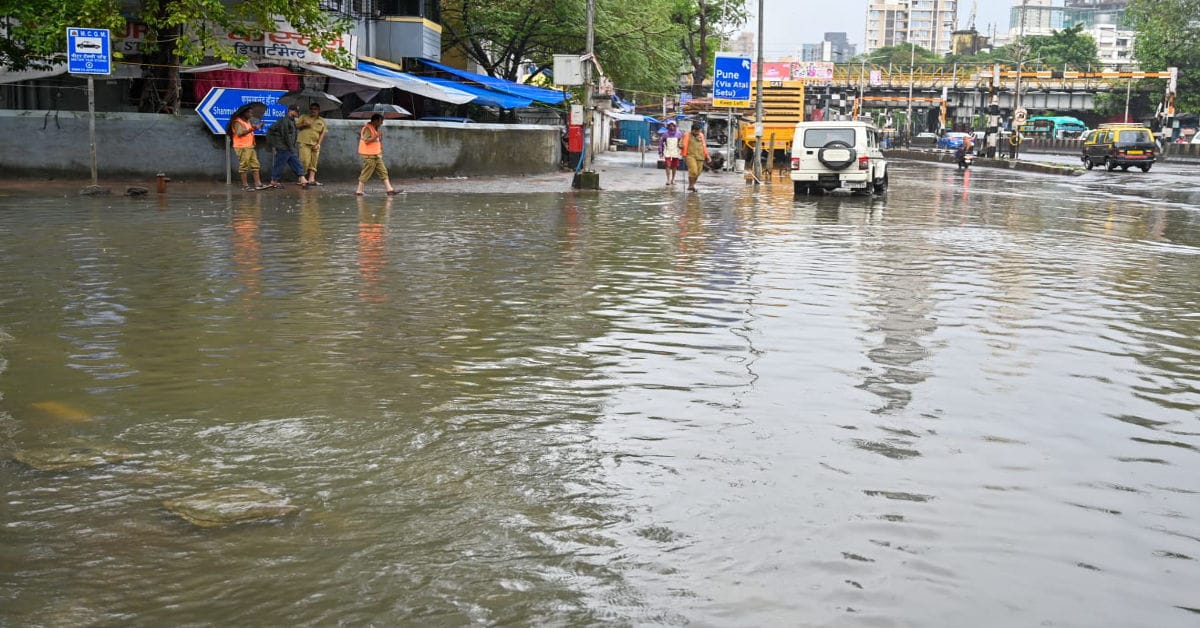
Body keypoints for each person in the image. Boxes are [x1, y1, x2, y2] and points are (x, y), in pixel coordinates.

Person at [266, 106, 309, 189]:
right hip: (284, 147)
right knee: (280, 164)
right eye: (296, 111)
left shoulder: (291, 121)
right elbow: (285, 135)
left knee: (296, 163)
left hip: (289, 147)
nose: (297, 113)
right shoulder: (285, 121)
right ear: (290, 111)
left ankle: (302, 179)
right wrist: (277, 143)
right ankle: (274, 181)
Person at [355, 113, 398, 196]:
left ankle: (389, 189)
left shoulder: (375, 128)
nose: (381, 123)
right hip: (369, 155)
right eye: (381, 121)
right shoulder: (368, 128)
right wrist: (376, 136)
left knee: (383, 172)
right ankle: (359, 191)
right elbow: (367, 141)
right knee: (366, 173)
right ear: (376, 120)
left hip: (376, 155)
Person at [230, 109, 266, 191]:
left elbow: (250, 130)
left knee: (255, 164)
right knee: (244, 165)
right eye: (249, 112)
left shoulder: (248, 121)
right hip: (242, 147)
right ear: (244, 113)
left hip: (250, 145)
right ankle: (245, 186)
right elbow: (239, 133)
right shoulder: (237, 122)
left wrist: (258, 126)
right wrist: (253, 128)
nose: (251, 114)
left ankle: (258, 184)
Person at [296, 103, 328, 186]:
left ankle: (311, 179)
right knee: (304, 161)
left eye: (315, 109)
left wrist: (318, 144)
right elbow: (296, 126)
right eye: (311, 108)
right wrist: (304, 124)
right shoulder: (304, 117)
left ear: (318, 110)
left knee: (314, 162)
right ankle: (301, 179)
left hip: (315, 144)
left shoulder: (322, 121)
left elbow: (323, 133)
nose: (313, 110)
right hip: (304, 142)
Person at [680, 124, 711, 192]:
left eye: (699, 131)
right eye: (696, 131)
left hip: (700, 156)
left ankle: (692, 185)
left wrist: (707, 156)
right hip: (690, 155)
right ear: (692, 130)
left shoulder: (701, 135)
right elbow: (680, 143)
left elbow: (704, 146)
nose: (698, 133)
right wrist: (681, 146)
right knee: (693, 171)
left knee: (698, 173)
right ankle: (691, 185)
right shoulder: (686, 135)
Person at [658, 120, 683, 186]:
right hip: (668, 151)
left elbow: (681, 143)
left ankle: (673, 179)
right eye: (670, 126)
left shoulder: (679, 134)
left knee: (674, 166)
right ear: (668, 126)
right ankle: (668, 179)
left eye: (673, 126)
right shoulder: (665, 134)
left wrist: (682, 149)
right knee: (668, 165)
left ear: (675, 126)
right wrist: (660, 152)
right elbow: (661, 143)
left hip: (676, 151)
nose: (671, 127)